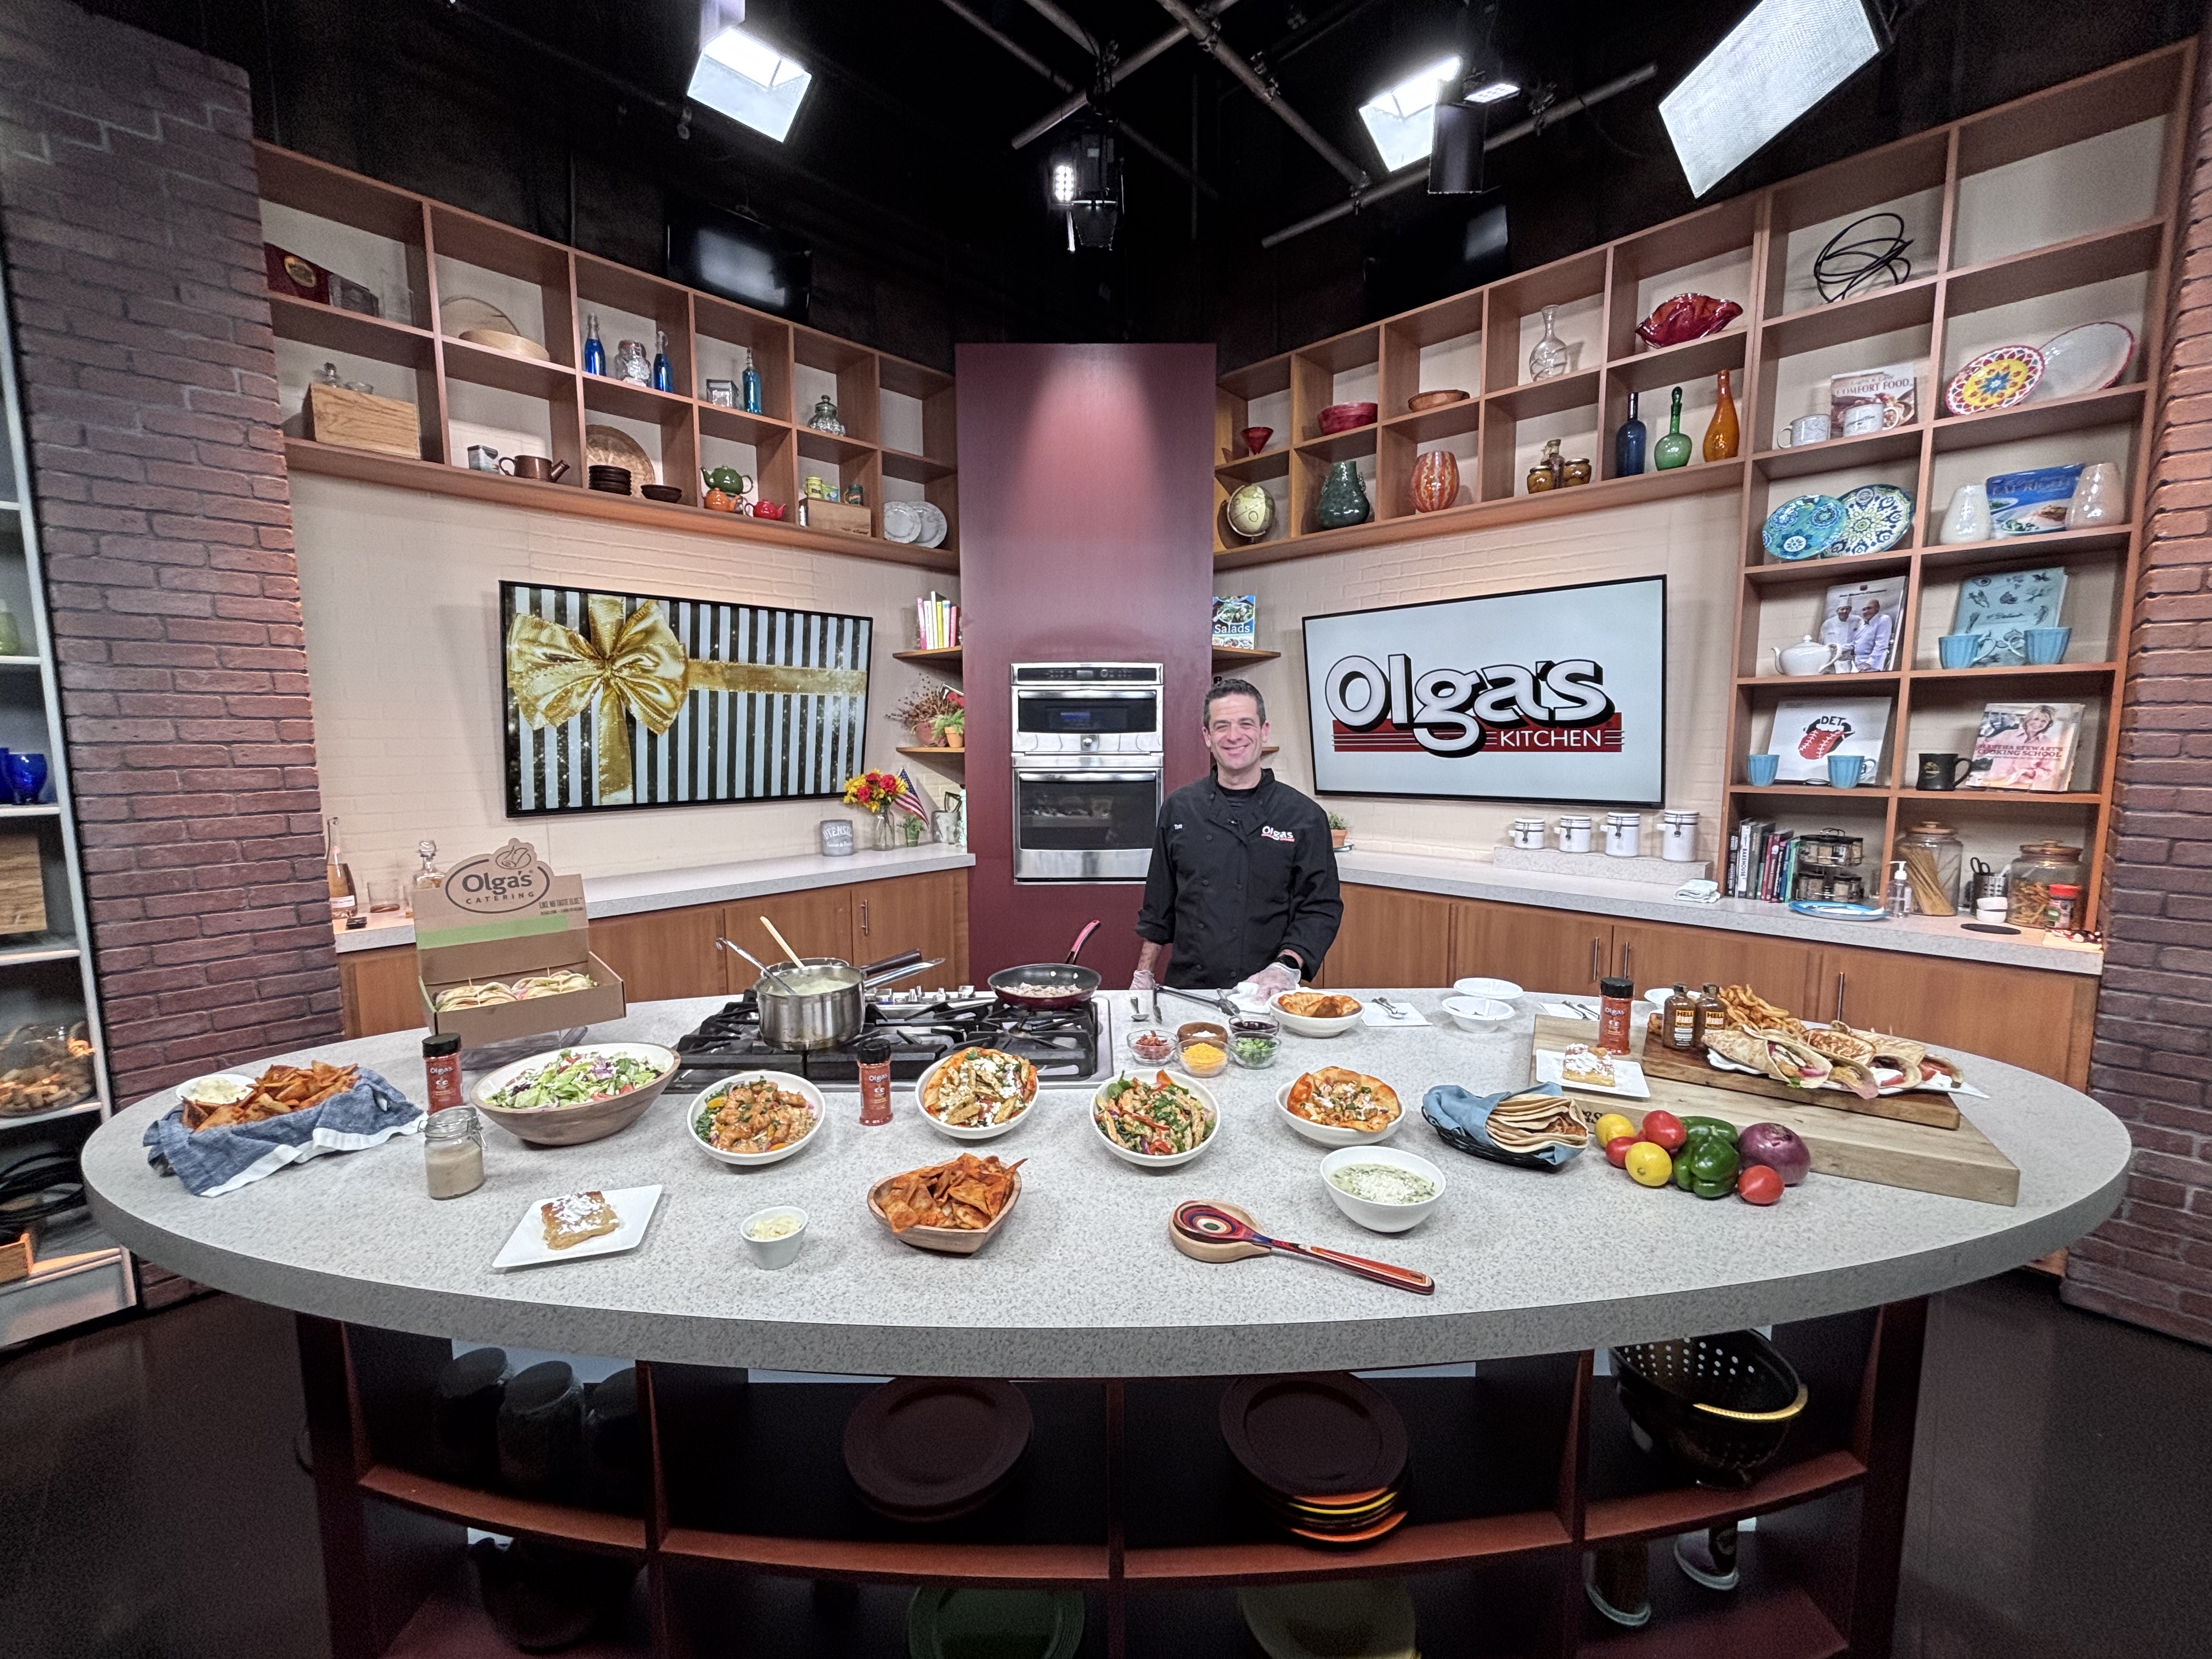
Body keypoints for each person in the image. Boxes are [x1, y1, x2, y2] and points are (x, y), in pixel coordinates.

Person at [1133, 678, 1342, 997]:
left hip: (1268, 991)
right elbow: (1159, 907)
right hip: (1190, 990)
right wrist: (1143, 975)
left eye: (1246, 724)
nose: (1234, 736)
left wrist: (1286, 966)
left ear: (1264, 731)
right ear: (1207, 736)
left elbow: (1321, 907)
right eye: (1221, 726)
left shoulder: (1303, 816)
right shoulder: (1180, 808)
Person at [1850, 594, 1895, 673]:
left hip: (1873, 667)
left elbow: (1881, 645)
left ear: (1877, 609)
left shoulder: (1884, 620)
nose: (1866, 612)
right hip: (1858, 665)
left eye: (1869, 608)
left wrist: (1869, 663)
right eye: (1864, 610)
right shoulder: (1862, 624)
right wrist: (1838, 648)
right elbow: (1855, 643)